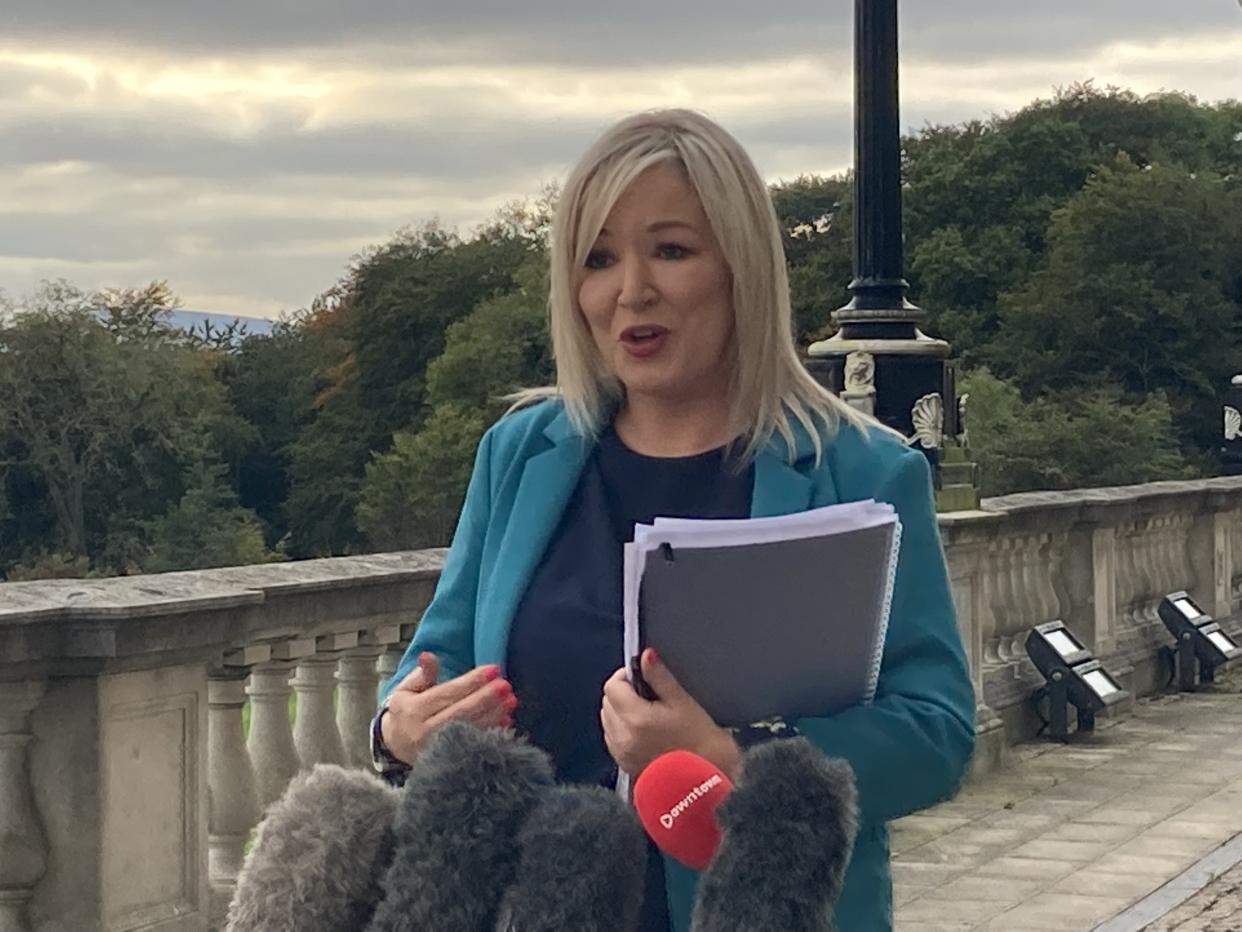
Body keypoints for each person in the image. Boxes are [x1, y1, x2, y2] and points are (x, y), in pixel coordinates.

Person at [370, 108, 975, 931]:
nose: (631, 291)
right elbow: (430, 670)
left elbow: (935, 731)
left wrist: (733, 760)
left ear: (741, 269)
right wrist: (396, 730)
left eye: (671, 250)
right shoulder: (520, 452)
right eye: (599, 259)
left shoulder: (861, 471)